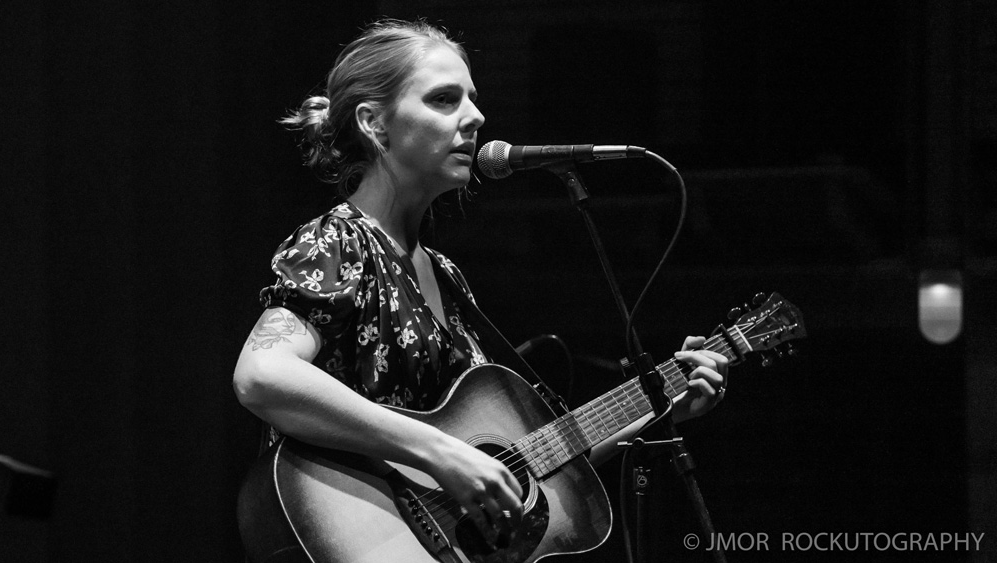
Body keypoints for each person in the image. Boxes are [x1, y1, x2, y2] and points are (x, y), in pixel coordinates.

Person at [233, 17, 727, 551]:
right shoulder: (340, 241)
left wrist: (658, 409)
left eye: (472, 99)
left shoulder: (445, 276)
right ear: (375, 124)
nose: (476, 117)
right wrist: (439, 453)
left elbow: (518, 464)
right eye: (444, 99)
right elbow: (263, 374)